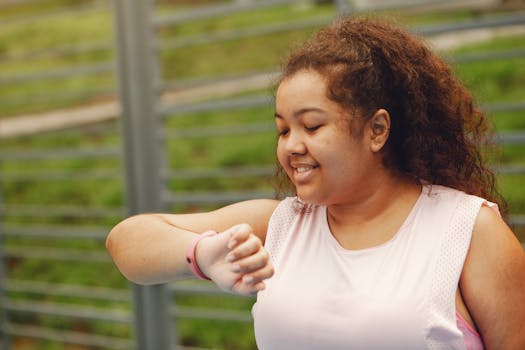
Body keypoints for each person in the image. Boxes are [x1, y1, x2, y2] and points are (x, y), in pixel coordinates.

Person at [106, 17, 525, 350]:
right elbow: (127, 241)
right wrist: (199, 253)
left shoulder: (468, 231)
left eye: (311, 125)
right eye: (283, 130)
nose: (292, 146)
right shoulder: (281, 225)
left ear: (377, 129)